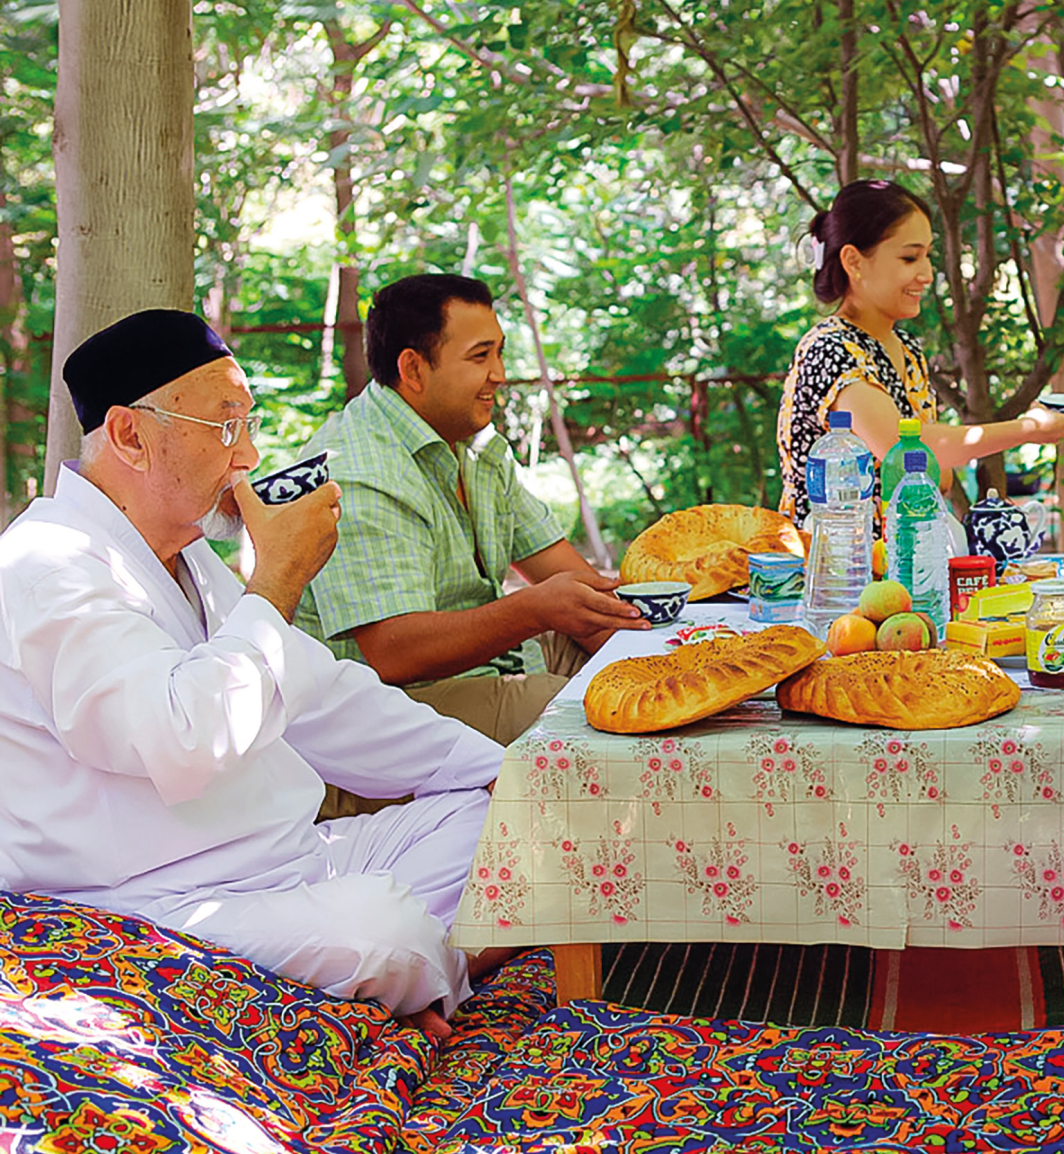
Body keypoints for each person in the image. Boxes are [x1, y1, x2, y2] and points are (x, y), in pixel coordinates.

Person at [0, 309, 507, 1039]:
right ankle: (403, 976)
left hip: (292, 862)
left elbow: (324, 699)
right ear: (131, 435)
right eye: (226, 426)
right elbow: (181, 740)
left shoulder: (187, 556)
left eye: (249, 423)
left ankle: (405, 984)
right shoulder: (50, 568)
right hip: (152, 898)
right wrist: (278, 580)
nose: (249, 456)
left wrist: (504, 773)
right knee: (381, 927)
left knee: (504, 823)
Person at [295, 274, 649, 752]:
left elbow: (571, 579)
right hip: (384, 710)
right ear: (413, 369)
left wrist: (653, 650)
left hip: (483, 667)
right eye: (480, 357)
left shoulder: (476, 445)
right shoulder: (358, 470)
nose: (499, 374)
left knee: (643, 671)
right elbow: (394, 653)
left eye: (499, 353)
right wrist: (533, 608)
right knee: (596, 717)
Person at [776, 179, 1064, 523]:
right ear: (854, 261)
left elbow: (938, 475)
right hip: (834, 567)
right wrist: (1031, 428)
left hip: (904, 560)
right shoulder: (829, 349)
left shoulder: (906, 349)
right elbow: (913, 455)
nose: (926, 274)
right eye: (910, 257)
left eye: (928, 256)